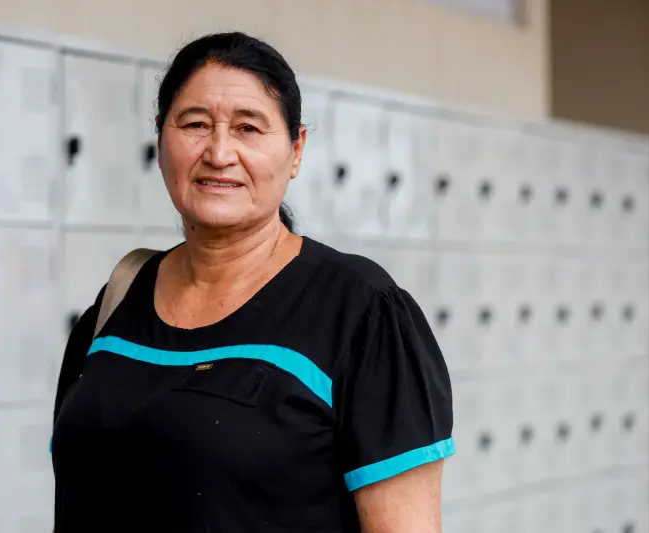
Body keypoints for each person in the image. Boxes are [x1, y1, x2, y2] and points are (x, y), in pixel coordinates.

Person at [51, 31, 455, 533]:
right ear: (160, 139)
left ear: (296, 149)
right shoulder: (118, 299)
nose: (219, 152)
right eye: (195, 124)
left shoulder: (361, 312)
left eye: (248, 128)